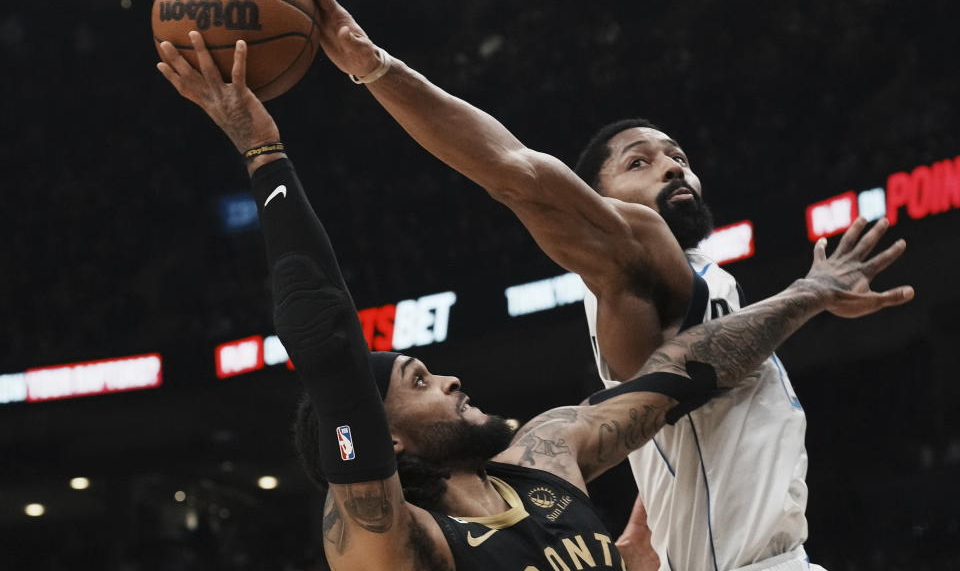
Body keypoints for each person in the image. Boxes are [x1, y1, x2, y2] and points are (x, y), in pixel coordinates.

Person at [155, 31, 913, 571]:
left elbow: (690, 372)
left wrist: (804, 297)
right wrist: (267, 151)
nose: (450, 378)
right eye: (418, 381)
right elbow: (328, 350)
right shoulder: (387, 536)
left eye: (676, 153)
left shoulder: (549, 457)